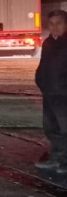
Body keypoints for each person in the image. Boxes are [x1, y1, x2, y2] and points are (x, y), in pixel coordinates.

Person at [35, 9, 67, 173]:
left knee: (65, 128)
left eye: (59, 23)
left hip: (64, 95)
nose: (55, 27)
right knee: (51, 128)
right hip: (49, 94)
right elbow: (43, 67)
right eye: (52, 24)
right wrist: (40, 81)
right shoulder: (48, 43)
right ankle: (57, 158)